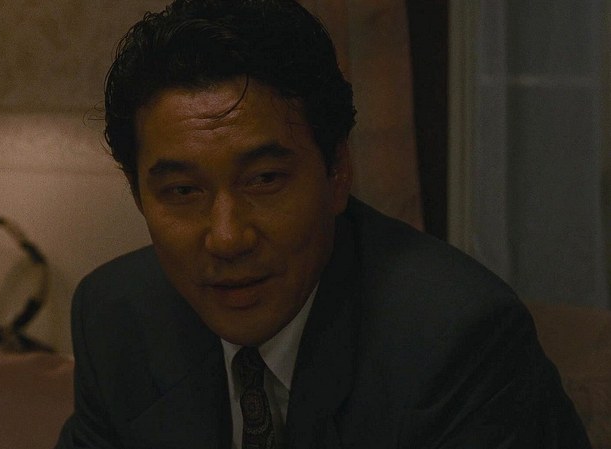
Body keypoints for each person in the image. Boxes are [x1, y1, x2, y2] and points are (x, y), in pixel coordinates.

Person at [56, 0, 591, 448]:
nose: (227, 237)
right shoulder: (115, 316)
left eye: (264, 179)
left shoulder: (456, 341)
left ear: (337, 172)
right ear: (138, 195)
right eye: (182, 191)